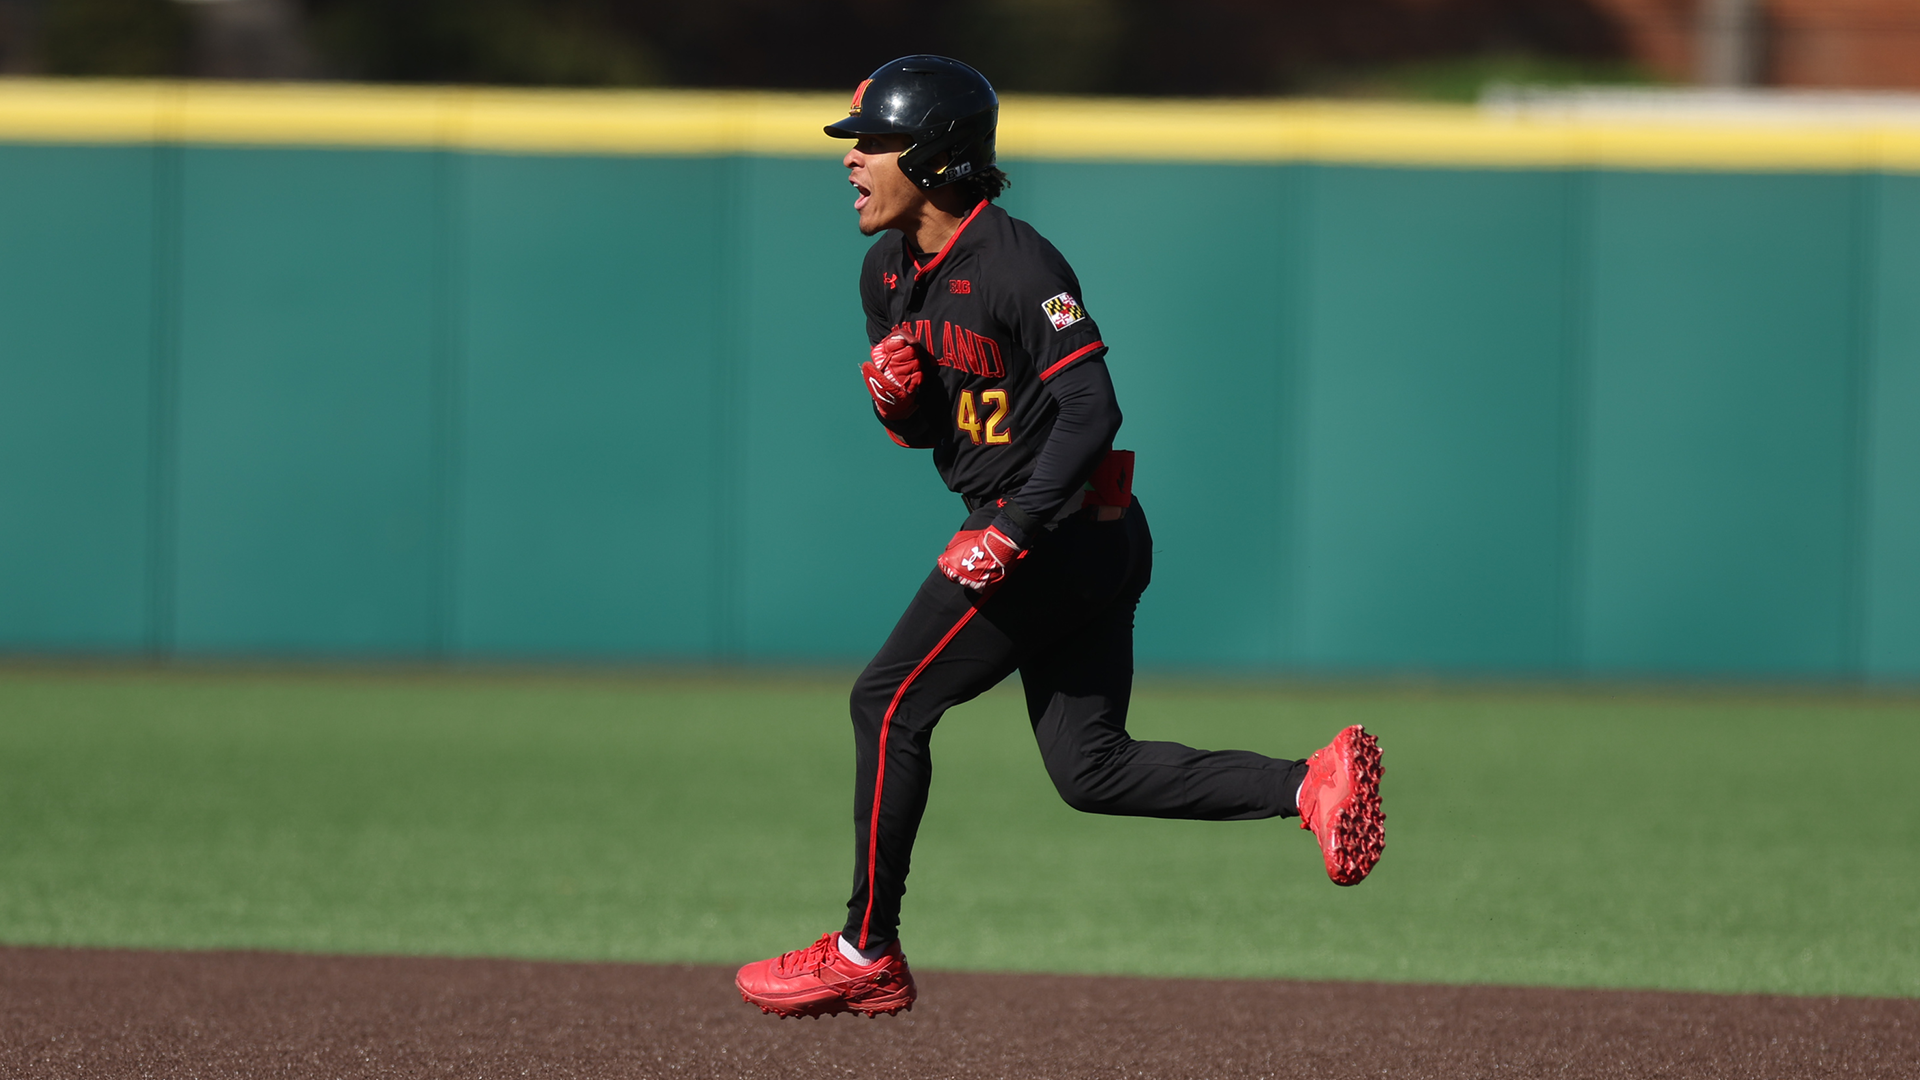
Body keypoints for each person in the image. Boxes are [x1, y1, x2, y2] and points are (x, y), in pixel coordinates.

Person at [734, 56, 1384, 1020]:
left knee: (889, 700)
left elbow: (1092, 409)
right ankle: (1310, 786)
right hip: (1068, 534)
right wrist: (904, 408)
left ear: (934, 154)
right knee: (1091, 770)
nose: (853, 160)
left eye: (871, 142)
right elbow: (932, 431)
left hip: (1060, 532)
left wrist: (1010, 530)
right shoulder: (884, 272)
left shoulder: (1016, 263)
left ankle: (866, 950)